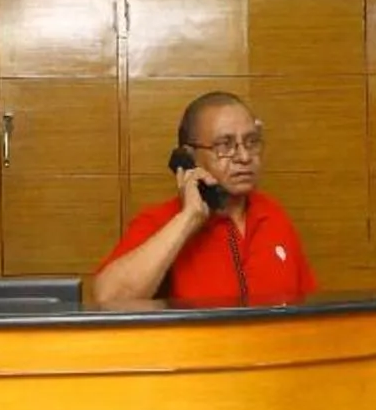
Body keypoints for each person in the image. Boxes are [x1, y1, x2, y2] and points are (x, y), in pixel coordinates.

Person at [83, 92, 317, 309]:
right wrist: (189, 218)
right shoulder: (162, 221)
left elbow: (309, 306)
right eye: (224, 145)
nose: (245, 157)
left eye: (251, 142)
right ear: (189, 156)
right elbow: (108, 299)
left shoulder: (273, 214)